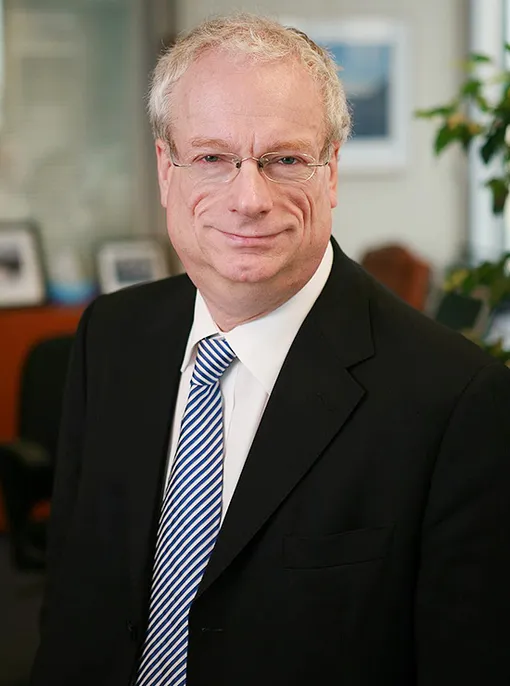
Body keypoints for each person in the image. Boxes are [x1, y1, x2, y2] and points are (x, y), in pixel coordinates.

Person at [30, 13, 510, 686]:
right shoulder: (110, 336)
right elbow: (74, 595)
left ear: (331, 173)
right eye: (211, 158)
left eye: (285, 160)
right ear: (166, 170)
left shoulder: (456, 400)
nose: (249, 198)